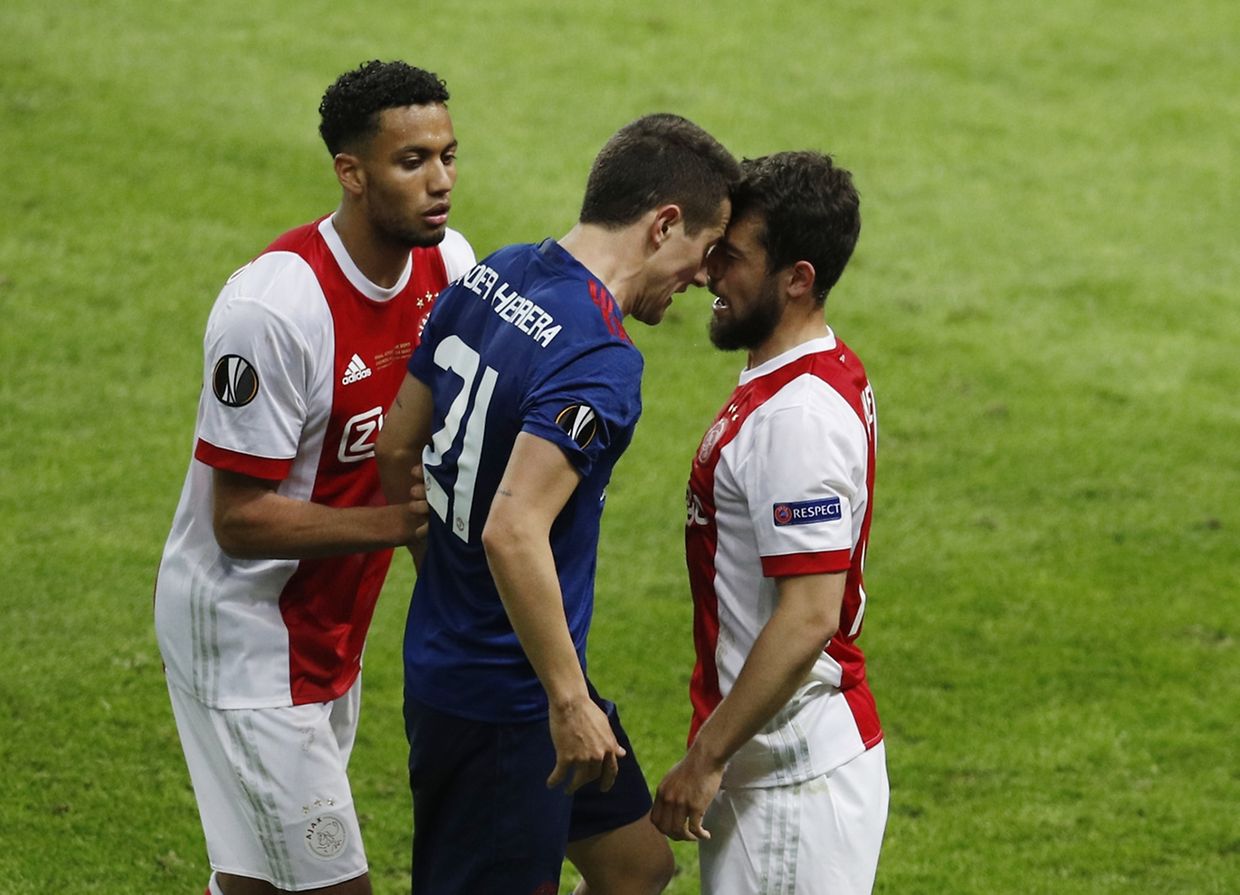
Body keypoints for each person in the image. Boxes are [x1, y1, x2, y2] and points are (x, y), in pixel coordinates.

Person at [374, 113, 739, 895]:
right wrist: (568, 702)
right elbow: (512, 528)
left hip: (465, 658)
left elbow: (397, 444)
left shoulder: (494, 272)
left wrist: (447, 572)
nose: (705, 277)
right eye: (706, 252)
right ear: (664, 224)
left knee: (636, 868)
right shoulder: (600, 355)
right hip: (510, 703)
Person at [153, 60, 475, 895]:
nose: (440, 181)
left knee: (259, 877)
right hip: (245, 637)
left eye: (448, 155)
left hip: (330, 625)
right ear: (352, 173)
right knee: (331, 882)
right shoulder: (274, 310)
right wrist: (403, 523)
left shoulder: (449, 270)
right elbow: (239, 518)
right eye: (413, 162)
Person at [651, 151, 888, 894]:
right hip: (775, 770)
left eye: (733, 256)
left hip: (793, 786)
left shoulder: (799, 418)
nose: (710, 271)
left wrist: (706, 758)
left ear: (799, 278)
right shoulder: (792, 376)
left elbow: (809, 615)